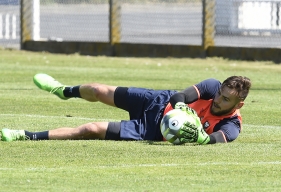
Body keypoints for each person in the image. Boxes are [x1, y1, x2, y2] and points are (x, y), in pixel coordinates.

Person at [0, 73, 251, 144]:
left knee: (90, 129)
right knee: (98, 90)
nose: (218, 99)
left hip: (152, 130)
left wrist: (201, 138)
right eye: (220, 94)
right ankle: (63, 91)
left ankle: (24, 135)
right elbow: (180, 95)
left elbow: (218, 140)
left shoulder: (232, 124)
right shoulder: (211, 87)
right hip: (156, 101)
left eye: (226, 100)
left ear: (238, 105)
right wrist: (182, 107)